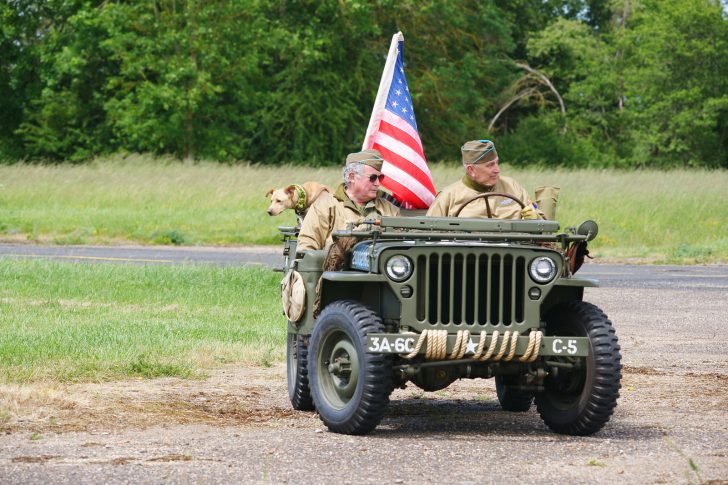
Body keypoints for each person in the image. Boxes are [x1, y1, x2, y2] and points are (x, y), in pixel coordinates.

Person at [296, 149, 400, 252]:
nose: (378, 183)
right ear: (352, 177)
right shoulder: (325, 206)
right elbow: (306, 248)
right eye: (372, 177)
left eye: (380, 177)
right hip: (335, 268)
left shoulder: (390, 210)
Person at [426, 139, 544, 220]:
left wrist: (536, 217)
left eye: (497, 163)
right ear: (471, 170)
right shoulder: (449, 196)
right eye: (490, 165)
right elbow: (428, 232)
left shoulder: (512, 187)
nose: (497, 170)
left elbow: (541, 219)